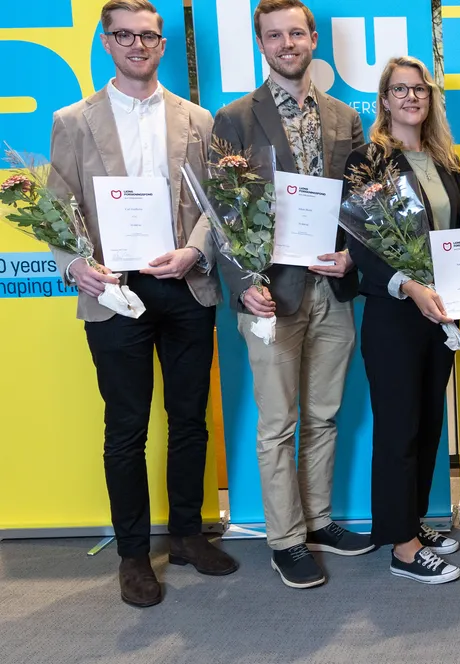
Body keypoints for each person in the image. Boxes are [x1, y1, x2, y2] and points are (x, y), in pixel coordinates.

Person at [46, 0, 237, 608]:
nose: (137, 44)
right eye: (124, 35)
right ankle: (133, 553)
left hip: (185, 285)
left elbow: (216, 206)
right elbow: (57, 211)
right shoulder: (73, 120)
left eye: (147, 35)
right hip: (114, 293)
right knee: (125, 428)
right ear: (106, 42)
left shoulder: (198, 119)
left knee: (189, 421)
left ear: (162, 43)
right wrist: (76, 266)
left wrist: (194, 252)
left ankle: (185, 534)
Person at [211, 0, 371, 590]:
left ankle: (320, 518)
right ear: (261, 43)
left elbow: (360, 202)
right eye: (274, 35)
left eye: (296, 33)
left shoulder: (341, 117)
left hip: (332, 288)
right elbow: (222, 211)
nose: (287, 43)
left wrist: (354, 254)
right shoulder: (234, 118)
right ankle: (285, 538)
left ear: (312, 38)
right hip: (269, 295)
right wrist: (243, 285)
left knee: (325, 415)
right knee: (278, 422)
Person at [345, 56, 460, 585]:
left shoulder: (446, 163)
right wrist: (408, 285)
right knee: (397, 427)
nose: (411, 97)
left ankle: (410, 521)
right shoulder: (367, 160)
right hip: (394, 311)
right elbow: (359, 243)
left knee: (427, 424)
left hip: (440, 314)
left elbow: (456, 238)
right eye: (400, 90)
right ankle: (403, 546)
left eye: (419, 89)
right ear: (384, 100)